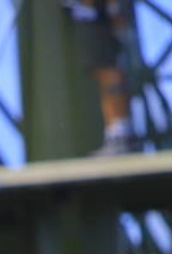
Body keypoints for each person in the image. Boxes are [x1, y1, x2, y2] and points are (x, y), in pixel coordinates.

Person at [62, 0, 140, 155]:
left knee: (110, 75)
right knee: (104, 76)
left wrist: (112, 12)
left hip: (100, 22)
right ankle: (116, 134)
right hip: (93, 21)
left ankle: (120, 135)